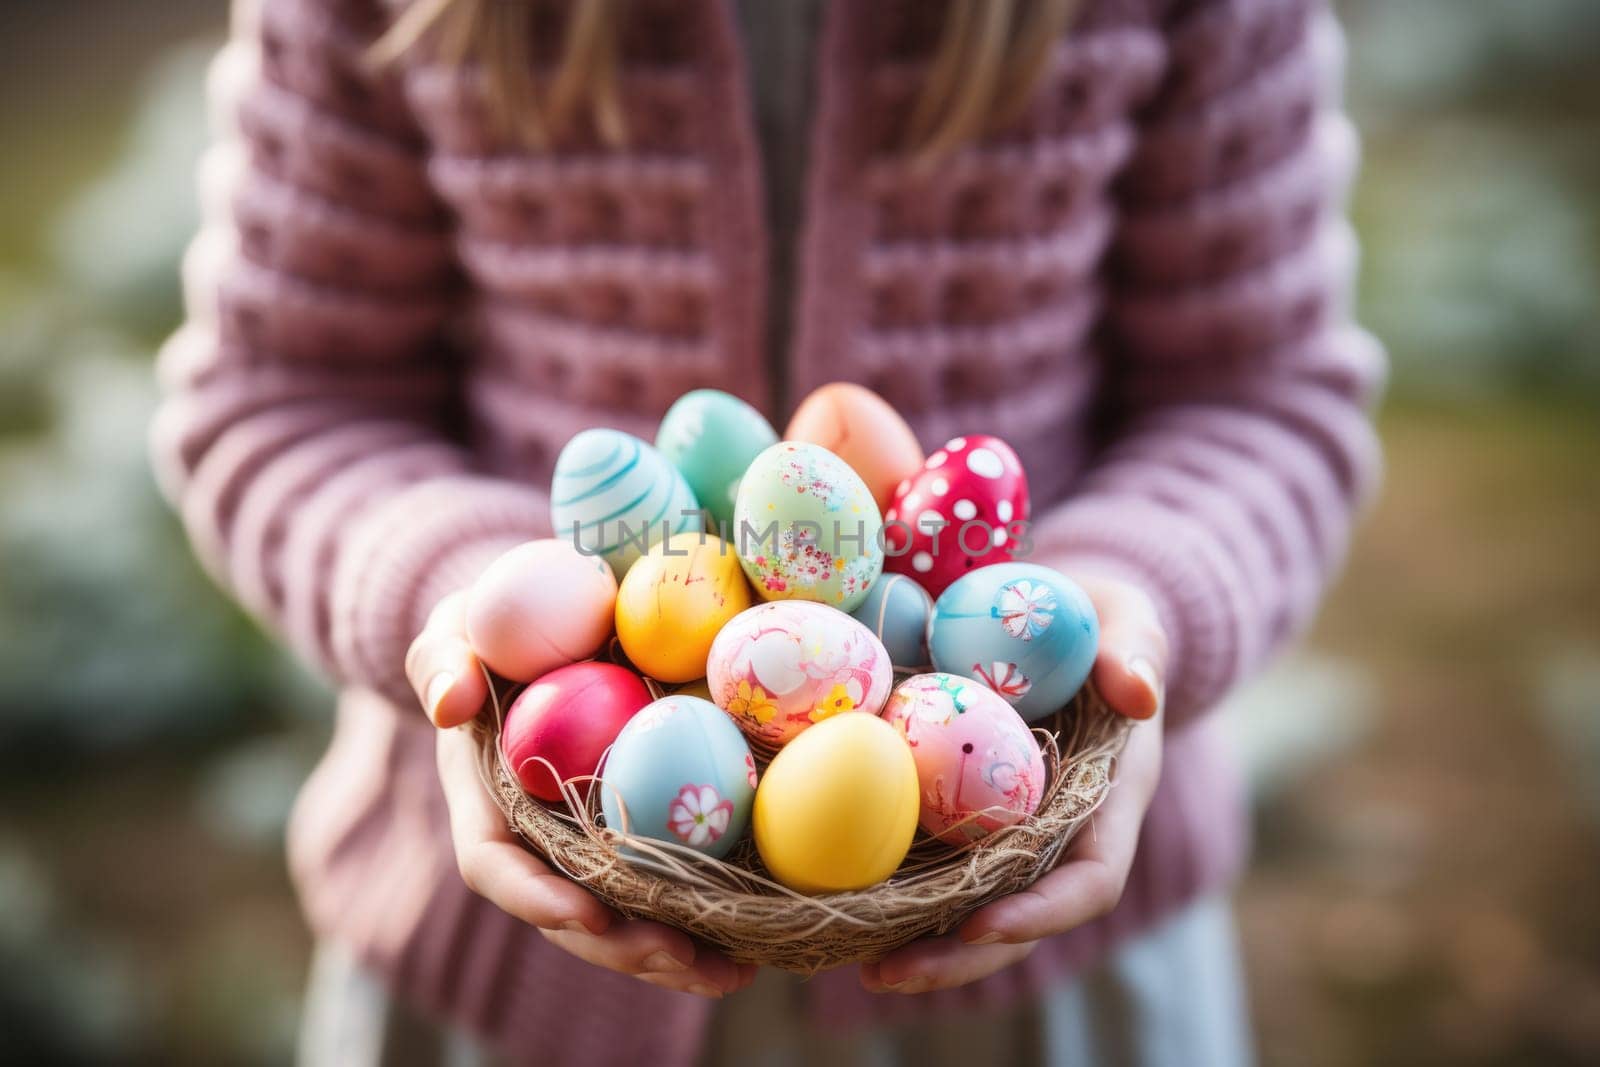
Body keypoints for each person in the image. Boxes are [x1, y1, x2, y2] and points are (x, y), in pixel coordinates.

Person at [153, 0, 1383, 1063]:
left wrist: (1124, 603)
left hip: (1038, 942)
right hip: (514, 935)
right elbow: (277, 396)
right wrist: (479, 612)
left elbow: (1259, 390)